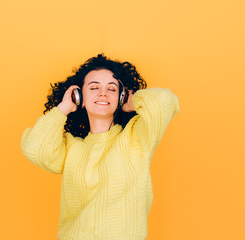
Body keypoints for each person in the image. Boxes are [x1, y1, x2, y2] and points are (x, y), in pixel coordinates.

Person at [20, 53, 180, 239]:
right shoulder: (72, 148)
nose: (103, 93)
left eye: (111, 89)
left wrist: (132, 100)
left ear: (121, 97)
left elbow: (165, 101)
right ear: (80, 96)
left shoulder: (137, 137)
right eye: (94, 87)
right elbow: (34, 149)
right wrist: (64, 106)